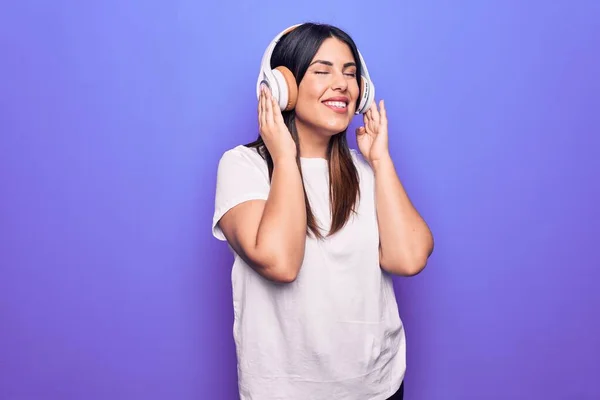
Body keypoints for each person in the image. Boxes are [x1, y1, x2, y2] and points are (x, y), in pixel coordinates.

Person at [212, 22, 434, 400]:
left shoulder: (365, 171)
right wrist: (284, 156)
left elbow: (409, 258)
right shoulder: (243, 166)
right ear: (284, 86)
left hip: (378, 388)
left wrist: (380, 160)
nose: (343, 84)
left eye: (350, 73)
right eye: (322, 70)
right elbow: (281, 262)